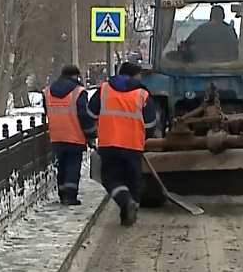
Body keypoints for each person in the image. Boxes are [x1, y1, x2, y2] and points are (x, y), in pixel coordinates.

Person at [86, 61, 157, 226]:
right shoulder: (142, 95)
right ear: (135, 75)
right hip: (133, 147)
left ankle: (125, 201)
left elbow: (90, 112)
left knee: (111, 178)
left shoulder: (104, 89)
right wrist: (143, 137)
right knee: (134, 180)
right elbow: (151, 125)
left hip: (108, 145)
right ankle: (130, 211)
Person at [42, 64, 97, 205]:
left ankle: (62, 193)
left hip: (56, 136)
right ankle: (70, 196)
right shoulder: (78, 92)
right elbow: (84, 116)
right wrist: (91, 135)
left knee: (62, 165)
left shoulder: (48, 91)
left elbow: (47, 111)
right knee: (73, 165)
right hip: (74, 135)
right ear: (75, 76)